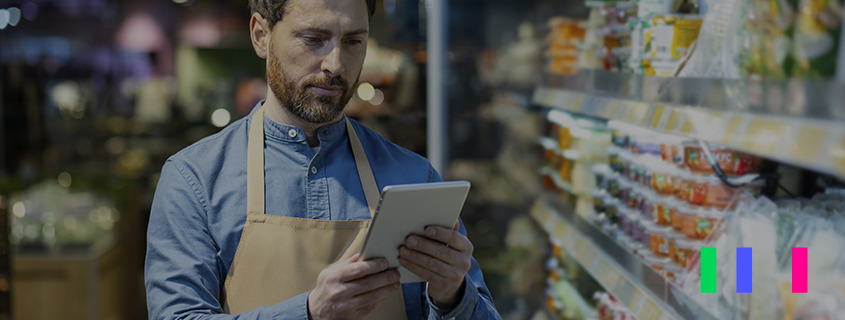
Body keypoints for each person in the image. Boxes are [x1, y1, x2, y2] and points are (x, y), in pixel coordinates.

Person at [144, 0, 502, 319]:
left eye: (352, 42)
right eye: (314, 38)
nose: (335, 64)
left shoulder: (415, 177)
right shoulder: (194, 179)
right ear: (260, 35)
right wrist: (310, 313)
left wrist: (453, 296)